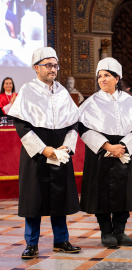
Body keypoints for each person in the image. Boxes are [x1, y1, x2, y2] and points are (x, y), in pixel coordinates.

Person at [8, 47, 81, 259]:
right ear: (36, 67)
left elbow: (73, 124)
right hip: (37, 154)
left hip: (60, 151)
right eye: (48, 65)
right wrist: (43, 149)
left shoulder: (62, 92)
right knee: (34, 199)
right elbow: (21, 125)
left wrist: (66, 146)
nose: (53, 69)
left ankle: (61, 240)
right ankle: (31, 244)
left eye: (55, 65)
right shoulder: (27, 90)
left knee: (60, 196)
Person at [79, 57, 132, 247]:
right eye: (100, 76)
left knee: (123, 191)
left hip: (125, 152)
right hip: (100, 152)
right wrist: (107, 146)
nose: (102, 79)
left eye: (107, 75)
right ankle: (106, 232)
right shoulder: (91, 102)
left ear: (117, 78)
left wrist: (124, 147)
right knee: (101, 191)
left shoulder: (129, 101)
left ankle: (120, 231)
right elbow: (84, 129)